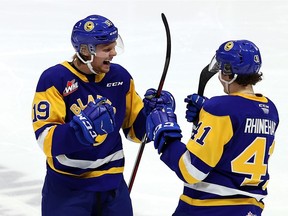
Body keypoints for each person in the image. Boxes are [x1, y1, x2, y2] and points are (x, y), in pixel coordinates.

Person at [31, 14, 174, 216]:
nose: (114, 53)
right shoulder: (55, 79)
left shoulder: (120, 77)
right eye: (106, 49)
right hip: (68, 188)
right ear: (85, 51)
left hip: (113, 186)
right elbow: (46, 141)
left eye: (114, 46)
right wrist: (79, 129)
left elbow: (136, 133)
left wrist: (152, 116)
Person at [145, 40, 279, 216]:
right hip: (250, 209)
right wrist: (206, 117)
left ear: (229, 74)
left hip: (208, 208)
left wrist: (165, 135)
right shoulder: (270, 110)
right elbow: (239, 141)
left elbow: (191, 170)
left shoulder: (220, 108)